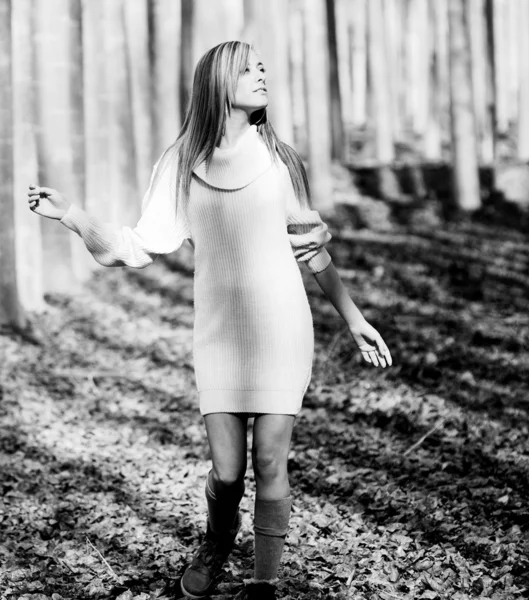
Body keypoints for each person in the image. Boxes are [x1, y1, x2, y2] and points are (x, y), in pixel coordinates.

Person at [27, 41, 392, 600]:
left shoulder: (282, 161)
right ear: (219, 81)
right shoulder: (181, 163)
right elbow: (137, 246)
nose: (261, 73)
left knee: (270, 458)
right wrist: (72, 215)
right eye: (249, 68)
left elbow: (310, 249)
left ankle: (264, 582)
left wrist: (354, 318)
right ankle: (218, 539)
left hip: (282, 329)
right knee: (227, 470)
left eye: (263, 66)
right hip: (219, 334)